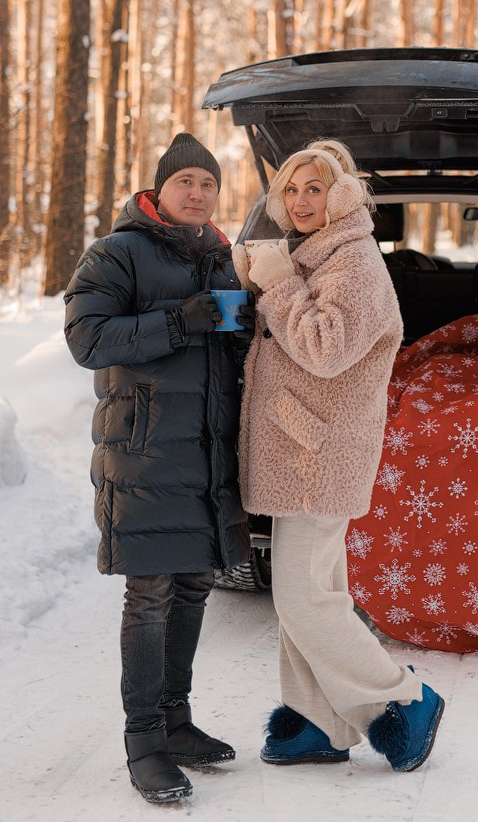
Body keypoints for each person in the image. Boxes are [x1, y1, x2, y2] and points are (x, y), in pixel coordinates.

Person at [233, 138, 445, 773]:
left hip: (320, 450)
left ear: (343, 195)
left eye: (315, 188)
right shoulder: (315, 258)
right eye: (292, 190)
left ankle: (403, 699)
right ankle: (319, 721)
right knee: (317, 588)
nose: (300, 201)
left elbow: (325, 347)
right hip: (301, 445)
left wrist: (275, 285)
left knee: (301, 595)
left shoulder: (353, 263)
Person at [64, 132, 254, 805]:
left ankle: (176, 722)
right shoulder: (118, 253)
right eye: (186, 183)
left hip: (205, 458)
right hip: (142, 457)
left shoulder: (221, 257)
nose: (198, 193)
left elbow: (227, 357)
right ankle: (143, 742)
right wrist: (180, 321)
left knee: (195, 586)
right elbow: (87, 339)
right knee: (149, 597)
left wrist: (242, 330)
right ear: (160, 191)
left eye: (208, 183)